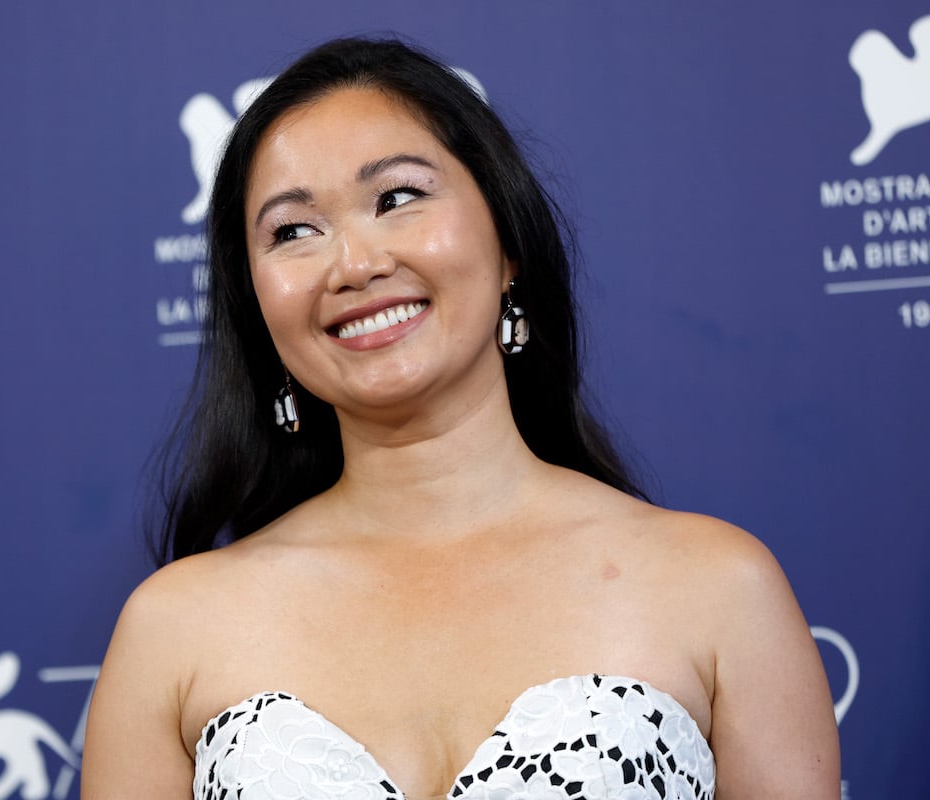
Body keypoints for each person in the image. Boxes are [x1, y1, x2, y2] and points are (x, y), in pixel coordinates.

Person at [82, 37, 840, 799]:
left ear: (509, 242)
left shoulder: (720, 589)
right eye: (293, 231)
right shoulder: (171, 631)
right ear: (257, 310)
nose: (354, 263)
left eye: (398, 198)